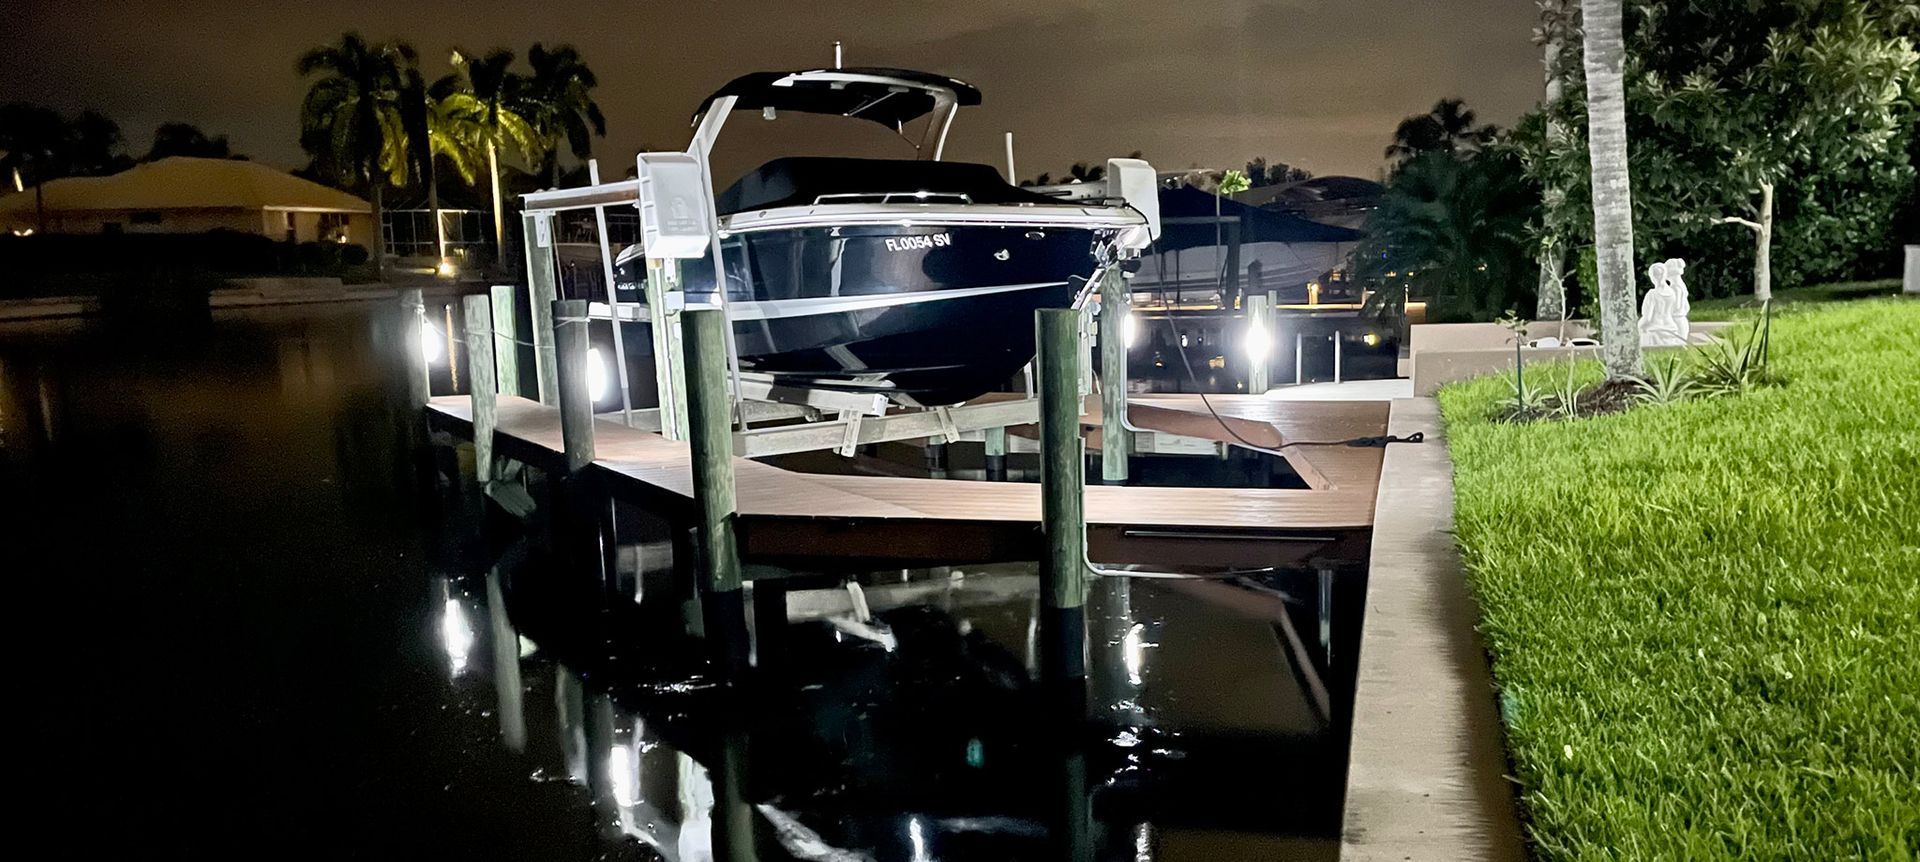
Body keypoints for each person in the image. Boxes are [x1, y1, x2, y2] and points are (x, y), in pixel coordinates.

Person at [1639, 261, 1685, 346]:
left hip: (1655, 329)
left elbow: (1647, 318)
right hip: (1671, 327)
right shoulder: (1672, 292)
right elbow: (1676, 309)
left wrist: (1638, 326)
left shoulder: (1652, 294)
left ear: (1652, 277)